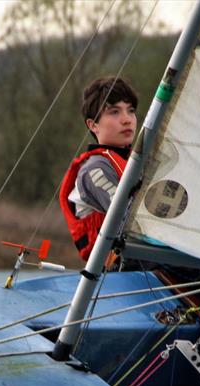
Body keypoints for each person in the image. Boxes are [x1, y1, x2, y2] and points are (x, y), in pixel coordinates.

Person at [59, 76, 138, 261]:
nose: (126, 120)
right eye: (114, 112)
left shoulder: (137, 162)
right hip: (120, 268)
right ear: (93, 125)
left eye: (131, 110)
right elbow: (132, 222)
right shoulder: (95, 169)